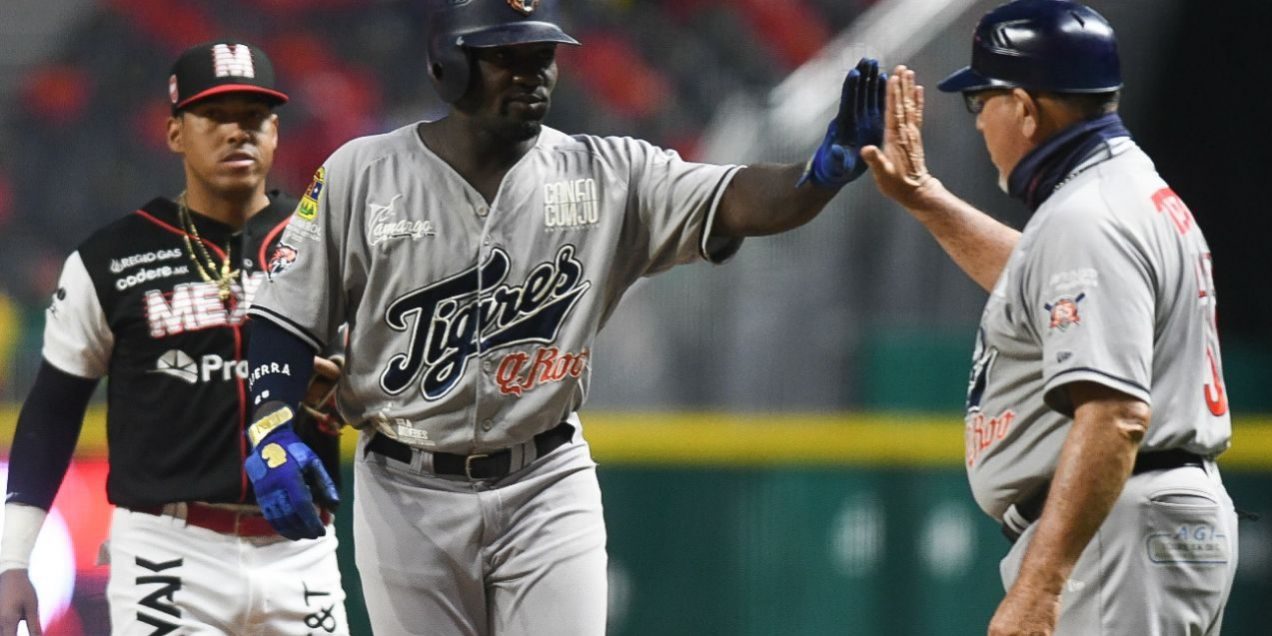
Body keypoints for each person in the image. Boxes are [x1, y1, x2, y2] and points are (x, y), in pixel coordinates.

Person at [238, 0, 886, 633]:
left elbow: (737, 198)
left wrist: (815, 177)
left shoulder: (607, 172)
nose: (532, 72)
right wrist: (272, 428)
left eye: (542, 54)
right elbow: (285, 315)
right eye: (506, 56)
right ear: (448, 65)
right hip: (406, 489)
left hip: (545, 482)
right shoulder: (362, 173)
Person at [861, 1, 1239, 634]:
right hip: (1142, 522)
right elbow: (1040, 288)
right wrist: (927, 199)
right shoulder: (1121, 194)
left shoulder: (1088, 216)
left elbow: (1115, 416)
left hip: (1118, 530)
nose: (979, 123)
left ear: (1027, 111)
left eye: (982, 101)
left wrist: (1040, 585)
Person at [0, 41, 350, 635]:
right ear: (174, 133)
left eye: (254, 116)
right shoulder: (112, 258)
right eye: (215, 116)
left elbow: (384, 380)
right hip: (168, 548)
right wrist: (12, 561)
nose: (237, 132)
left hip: (301, 545)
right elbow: (53, 414)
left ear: (275, 132)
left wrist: (349, 388)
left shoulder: (328, 245)